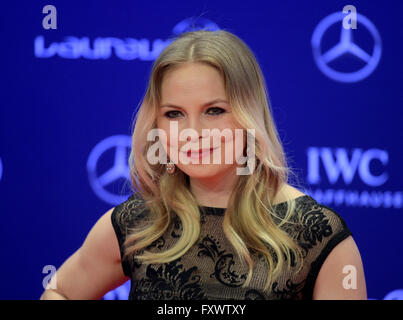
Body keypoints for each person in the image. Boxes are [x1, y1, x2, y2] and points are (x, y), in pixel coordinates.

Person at [40, 29, 367, 300]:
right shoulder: (139, 222)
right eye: (174, 114)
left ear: (249, 115)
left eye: (214, 111)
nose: (192, 133)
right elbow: (61, 292)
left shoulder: (317, 233)